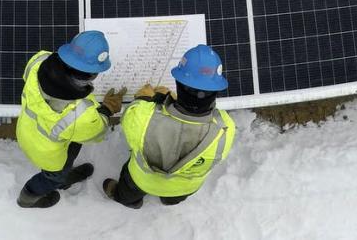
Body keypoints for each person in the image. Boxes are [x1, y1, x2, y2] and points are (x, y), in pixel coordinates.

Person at [102, 44, 237, 208]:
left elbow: (130, 115)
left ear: (178, 83)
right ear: (216, 88)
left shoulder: (142, 117)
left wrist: (145, 99)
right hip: (185, 187)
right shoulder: (226, 129)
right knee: (174, 195)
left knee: (128, 190)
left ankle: (130, 200)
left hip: (143, 180)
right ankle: (168, 200)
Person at [15, 30, 125, 209]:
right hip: (48, 154)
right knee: (52, 176)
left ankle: (63, 178)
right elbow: (96, 133)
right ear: (94, 74)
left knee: (69, 151)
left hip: (26, 131)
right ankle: (28, 198)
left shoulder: (39, 60)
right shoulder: (80, 114)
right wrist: (107, 109)